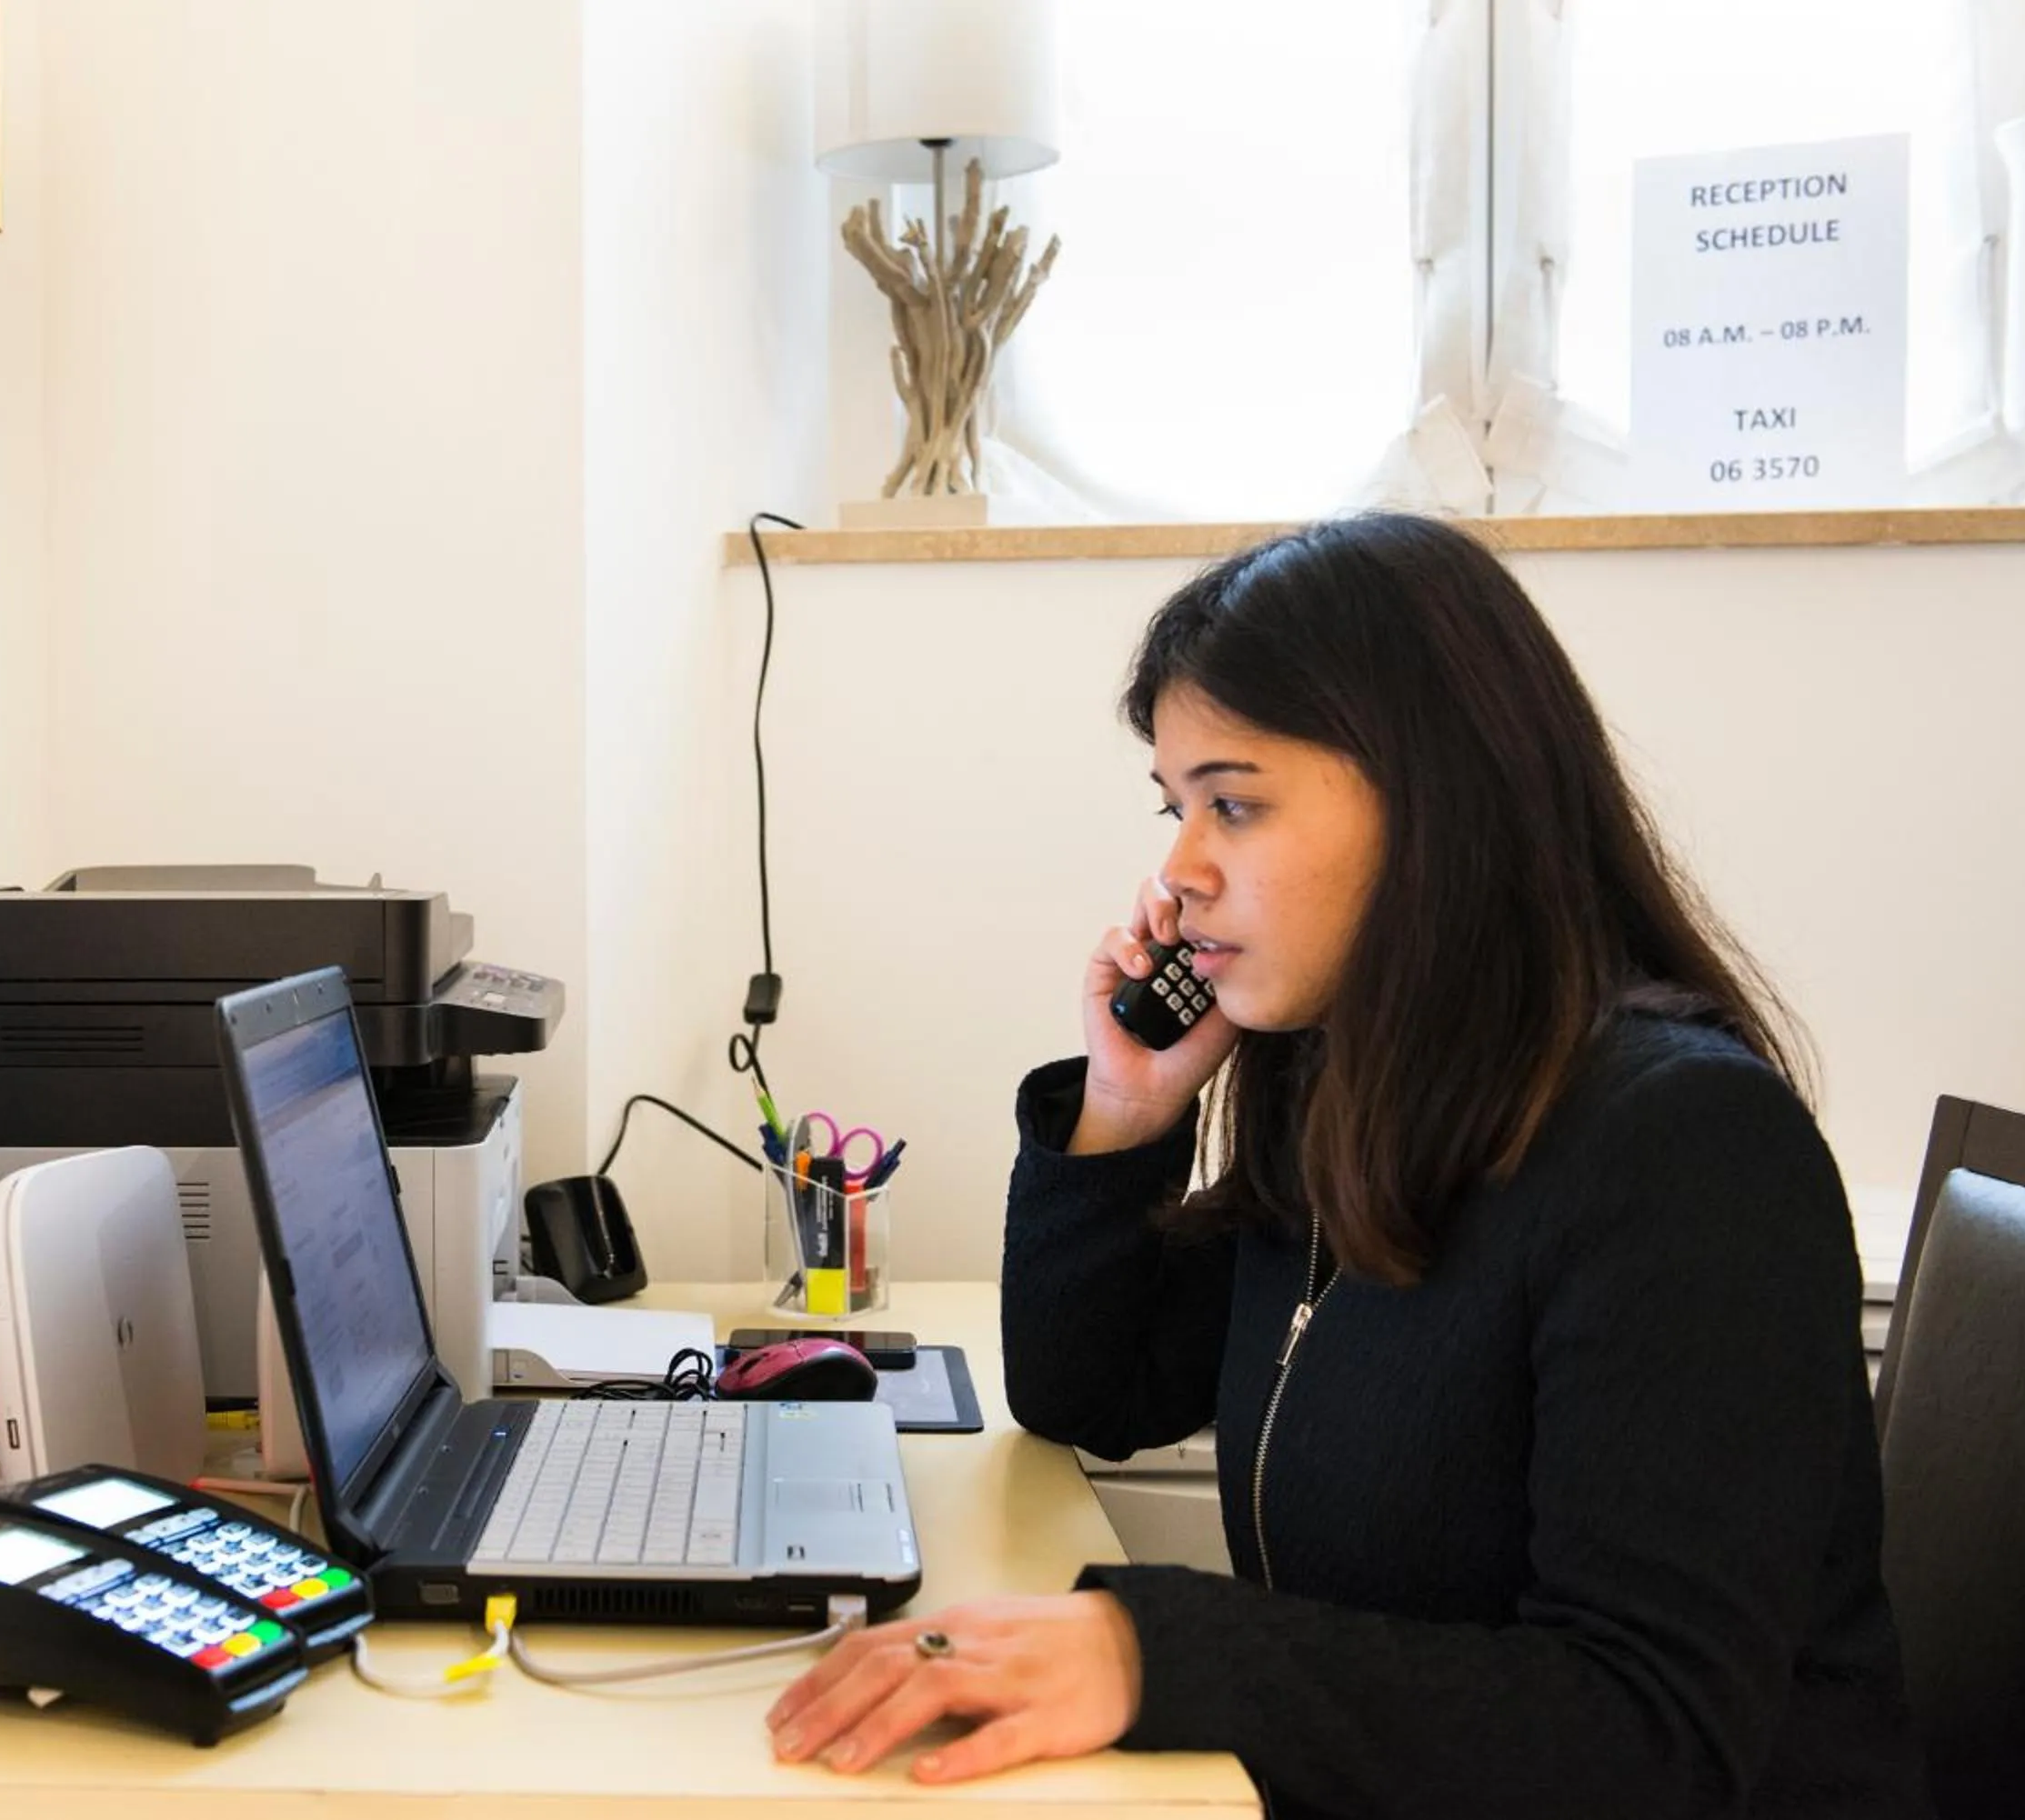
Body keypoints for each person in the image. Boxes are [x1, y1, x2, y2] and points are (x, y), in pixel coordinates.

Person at [766, 515, 1930, 1818]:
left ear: (1434, 796)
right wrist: (1128, 1102)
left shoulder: (1685, 1148)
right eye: (1177, 806)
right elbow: (1088, 1387)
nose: (1180, 869)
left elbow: (1646, 1727)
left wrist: (1161, 1648)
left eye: (1235, 804)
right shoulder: (1348, 1088)